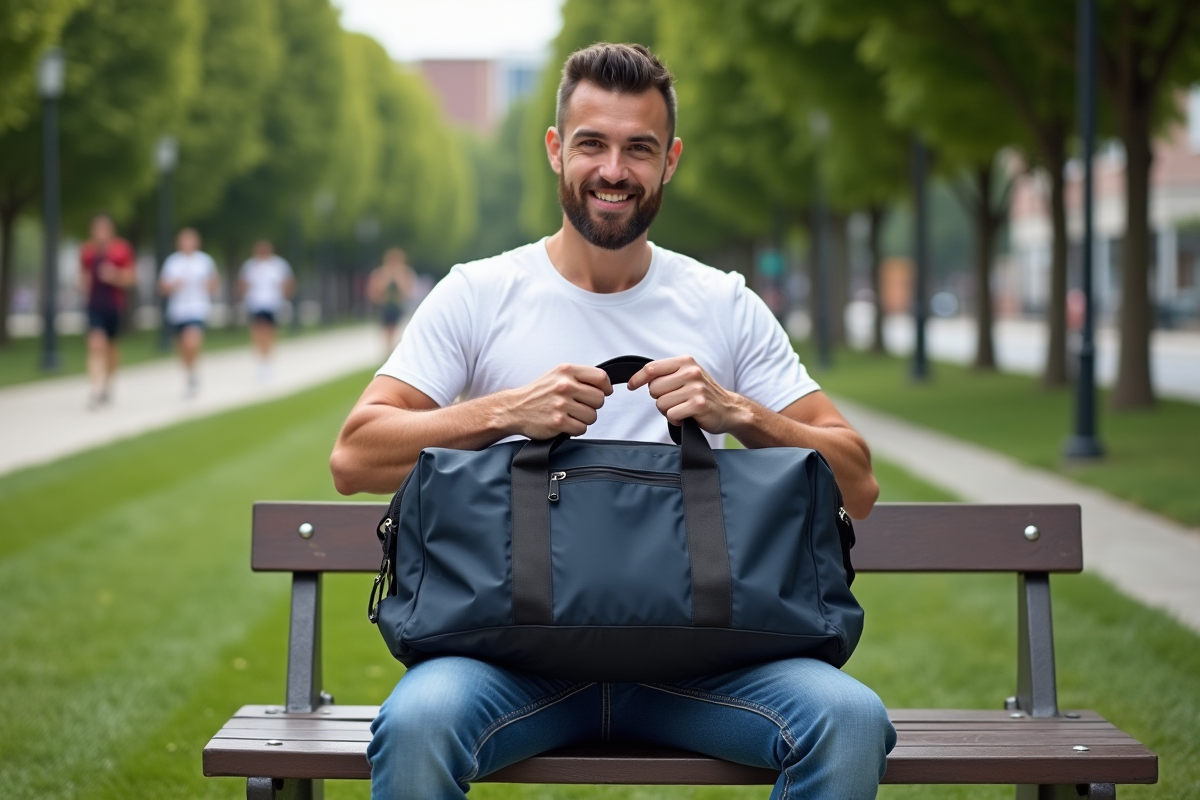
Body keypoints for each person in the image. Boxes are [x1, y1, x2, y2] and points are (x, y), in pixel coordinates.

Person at [330, 43, 893, 800]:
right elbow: (355, 457)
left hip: (706, 668)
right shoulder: (479, 294)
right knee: (420, 721)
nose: (614, 171)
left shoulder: (722, 303)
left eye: (640, 148)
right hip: (509, 665)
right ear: (556, 149)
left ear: (672, 161)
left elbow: (857, 482)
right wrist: (506, 412)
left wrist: (738, 411)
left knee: (849, 720)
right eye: (592, 143)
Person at [79, 213, 137, 409]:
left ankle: (107, 384)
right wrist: (82, 284)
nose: (101, 233)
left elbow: (131, 278)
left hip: (113, 305)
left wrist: (114, 275)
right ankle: (95, 388)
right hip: (94, 305)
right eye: (97, 229)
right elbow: (83, 276)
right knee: (96, 344)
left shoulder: (121, 250)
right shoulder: (87, 251)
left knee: (111, 348)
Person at [159, 228, 218, 397]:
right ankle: (190, 374)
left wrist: (208, 286)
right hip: (178, 310)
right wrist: (173, 285)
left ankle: (193, 373)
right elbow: (162, 287)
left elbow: (214, 283)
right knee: (182, 347)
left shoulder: (204, 261)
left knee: (191, 342)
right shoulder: (172, 262)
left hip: (197, 307)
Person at [238, 239, 295, 379]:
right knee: (258, 331)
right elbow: (242, 284)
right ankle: (261, 359)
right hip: (256, 303)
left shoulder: (278, 265)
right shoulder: (250, 266)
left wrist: (285, 294)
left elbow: (288, 282)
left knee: (269, 332)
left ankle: (268, 360)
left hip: (272, 303)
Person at [367, 247, 415, 354]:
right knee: (387, 331)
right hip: (385, 306)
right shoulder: (380, 273)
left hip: (398, 306)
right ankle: (388, 351)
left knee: (398, 331)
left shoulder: (405, 272)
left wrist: (398, 277)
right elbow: (375, 291)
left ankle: (394, 351)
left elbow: (407, 291)